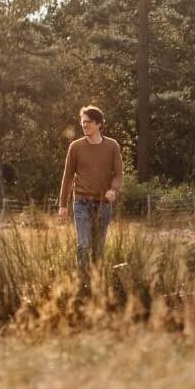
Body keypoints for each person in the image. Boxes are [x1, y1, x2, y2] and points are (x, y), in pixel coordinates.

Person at [57, 105, 124, 285]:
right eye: (82, 122)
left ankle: (97, 283)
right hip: (81, 202)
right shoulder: (75, 147)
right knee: (84, 244)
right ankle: (82, 282)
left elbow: (118, 174)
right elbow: (68, 176)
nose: (84, 125)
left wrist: (113, 190)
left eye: (88, 122)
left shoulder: (112, 146)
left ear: (99, 124)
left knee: (98, 247)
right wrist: (63, 205)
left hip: (103, 204)